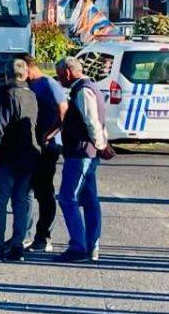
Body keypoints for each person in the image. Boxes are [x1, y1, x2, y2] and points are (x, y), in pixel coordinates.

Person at [0, 58, 40, 262]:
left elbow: (0, 126)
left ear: (7, 76)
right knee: (21, 202)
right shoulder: (32, 95)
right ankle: (17, 245)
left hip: (9, 155)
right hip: (30, 156)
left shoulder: (7, 95)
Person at [56, 57, 112, 262]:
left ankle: (78, 246)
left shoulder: (82, 91)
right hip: (88, 152)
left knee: (67, 198)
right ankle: (92, 245)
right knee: (89, 199)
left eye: (60, 75)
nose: (60, 79)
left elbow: (91, 121)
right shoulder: (92, 88)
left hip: (81, 152)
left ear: (69, 73)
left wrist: (100, 145)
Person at [23, 54, 69, 252]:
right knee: (26, 191)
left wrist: (50, 134)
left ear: (29, 67)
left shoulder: (49, 84)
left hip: (47, 147)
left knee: (44, 193)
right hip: (31, 147)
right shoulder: (28, 85)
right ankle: (24, 235)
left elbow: (63, 111)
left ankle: (44, 237)